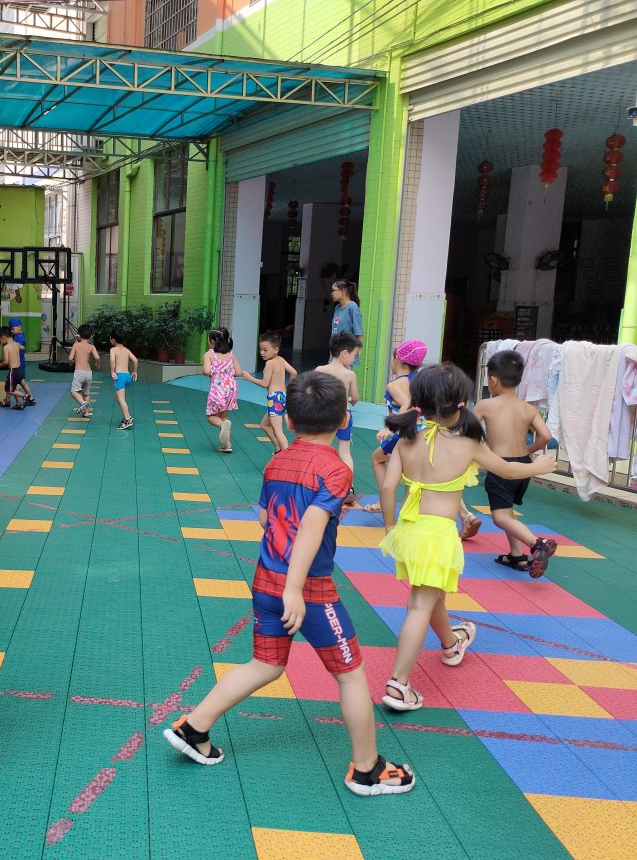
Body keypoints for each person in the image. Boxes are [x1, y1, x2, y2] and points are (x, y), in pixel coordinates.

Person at [164, 371, 416, 797]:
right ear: (344, 421)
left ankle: (194, 727)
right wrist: (295, 587)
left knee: (265, 664)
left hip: (265, 580)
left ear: (291, 420)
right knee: (352, 675)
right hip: (308, 590)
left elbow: (268, 517)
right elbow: (313, 523)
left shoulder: (277, 461)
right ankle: (367, 770)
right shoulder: (335, 469)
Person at [378, 364, 557, 711]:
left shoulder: (406, 439)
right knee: (419, 604)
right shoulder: (467, 444)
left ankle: (451, 644)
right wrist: (538, 466)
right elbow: (508, 469)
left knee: (430, 596)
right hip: (438, 534)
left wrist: (389, 528)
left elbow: (387, 486)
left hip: (409, 530)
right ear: (461, 402)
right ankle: (399, 684)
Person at [364, 340, 482, 539]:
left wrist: (390, 426)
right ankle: (465, 514)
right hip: (428, 430)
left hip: (408, 432)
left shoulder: (394, 385)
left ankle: (384, 502)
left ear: (397, 359)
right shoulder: (419, 380)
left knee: (377, 459)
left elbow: (407, 404)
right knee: (438, 476)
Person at [472, 351, 558, 577]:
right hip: (524, 466)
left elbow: (468, 431)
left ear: (493, 380)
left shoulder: (485, 405)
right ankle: (517, 555)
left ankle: (537, 543)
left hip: (502, 466)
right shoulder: (528, 408)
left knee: (500, 516)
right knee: (507, 510)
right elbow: (546, 436)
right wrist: (528, 450)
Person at [316, 332, 361, 501]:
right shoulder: (349, 375)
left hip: (324, 413)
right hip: (343, 414)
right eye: (354, 355)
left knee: (320, 448)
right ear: (344, 353)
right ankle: (348, 488)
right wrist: (348, 399)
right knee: (345, 452)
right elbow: (355, 398)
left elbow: (314, 392)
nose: (354, 359)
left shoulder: (320, 370)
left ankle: (317, 484)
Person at [202, 327, 257, 453]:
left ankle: (222, 426)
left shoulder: (209, 354)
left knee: (211, 416)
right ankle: (227, 445)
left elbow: (206, 371)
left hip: (217, 389)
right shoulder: (231, 355)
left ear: (212, 341)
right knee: (224, 416)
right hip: (231, 388)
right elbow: (238, 372)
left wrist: (215, 372)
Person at [245, 331, 297, 452]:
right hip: (282, 397)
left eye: (265, 350)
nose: (262, 353)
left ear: (276, 349)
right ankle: (278, 448)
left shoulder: (270, 363)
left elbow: (265, 384)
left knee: (278, 431)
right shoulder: (281, 360)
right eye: (260, 350)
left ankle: (287, 456)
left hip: (274, 399)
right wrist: (289, 389)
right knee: (264, 425)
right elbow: (294, 372)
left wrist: (249, 378)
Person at [109, 327, 139, 430]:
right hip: (127, 376)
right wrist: (135, 371)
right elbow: (135, 360)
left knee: (121, 399)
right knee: (117, 396)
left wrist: (112, 371)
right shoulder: (126, 350)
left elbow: (112, 361)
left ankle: (127, 419)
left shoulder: (113, 349)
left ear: (113, 340)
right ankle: (127, 415)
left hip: (120, 377)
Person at [68, 323, 99, 418]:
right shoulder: (91, 347)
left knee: (74, 392)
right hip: (88, 373)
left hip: (79, 372)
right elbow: (97, 357)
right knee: (86, 393)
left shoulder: (76, 345)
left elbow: (70, 358)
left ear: (79, 335)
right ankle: (86, 412)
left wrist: (71, 363)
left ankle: (83, 403)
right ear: (90, 336)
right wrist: (98, 364)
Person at [0, 325, 27, 410]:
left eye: (0, 340)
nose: (1, 342)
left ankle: (25, 396)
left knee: (8, 389)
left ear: (3, 337)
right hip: (19, 369)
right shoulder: (16, 344)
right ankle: (18, 403)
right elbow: (23, 348)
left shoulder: (6, 347)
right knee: (12, 385)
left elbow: (6, 361)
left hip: (14, 371)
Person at [8, 317, 36, 406]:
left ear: (19, 327)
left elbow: (17, 349)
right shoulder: (19, 336)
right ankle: (30, 397)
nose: (12, 331)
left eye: (13, 329)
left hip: (17, 363)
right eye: (11, 329)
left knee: (11, 382)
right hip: (20, 362)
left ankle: (12, 400)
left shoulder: (18, 338)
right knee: (21, 381)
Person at [330, 279, 363, 348]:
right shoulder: (337, 308)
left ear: (343, 291)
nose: (331, 293)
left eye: (333, 290)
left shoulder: (352, 307)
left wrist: (356, 351)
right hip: (336, 351)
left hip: (347, 351)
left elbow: (359, 334)